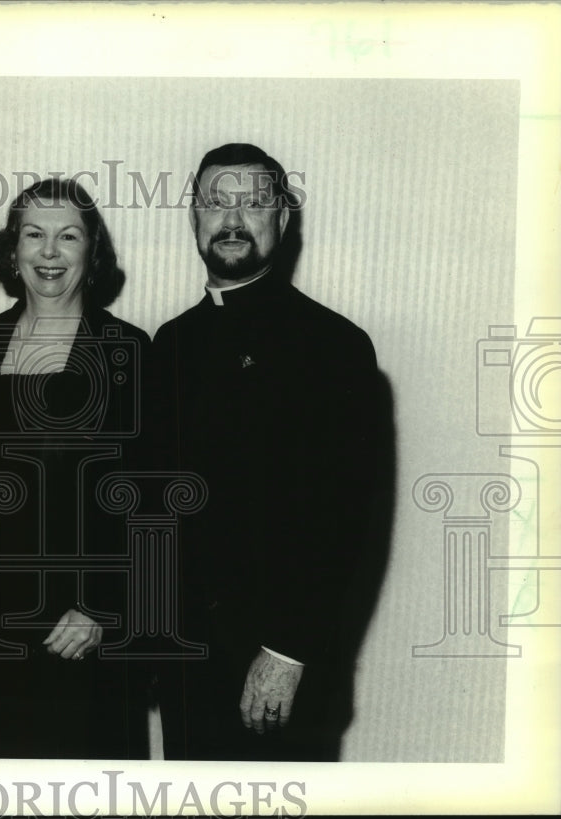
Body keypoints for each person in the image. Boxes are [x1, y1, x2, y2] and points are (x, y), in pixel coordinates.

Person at [149, 143, 381, 761]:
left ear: (284, 218)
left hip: (281, 670)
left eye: (253, 204)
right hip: (187, 659)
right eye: (215, 204)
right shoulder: (171, 343)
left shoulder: (334, 346)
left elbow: (349, 518)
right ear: (192, 217)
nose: (232, 220)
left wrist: (288, 651)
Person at [0, 178, 150, 759]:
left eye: (68, 236)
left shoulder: (129, 350)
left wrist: (106, 606)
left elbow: (150, 502)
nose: (50, 252)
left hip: (79, 633)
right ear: (13, 251)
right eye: (34, 235)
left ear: (91, 252)